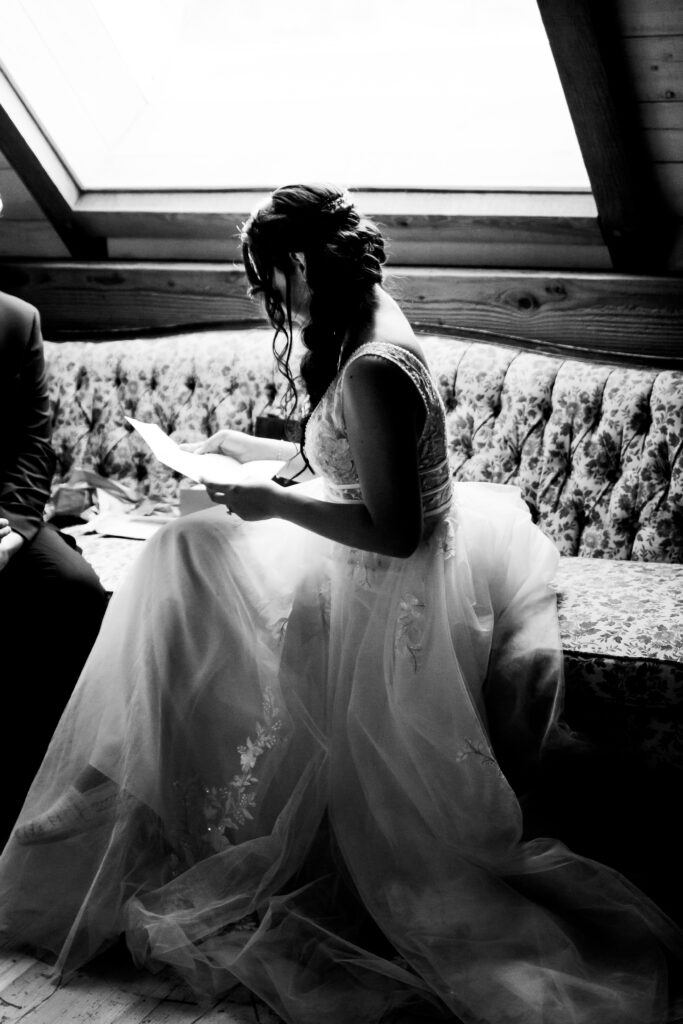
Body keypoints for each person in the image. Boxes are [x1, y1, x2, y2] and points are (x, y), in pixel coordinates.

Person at [0, 184, 681, 1024]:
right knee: (186, 556)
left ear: (296, 264)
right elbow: (351, 456)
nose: (262, 298)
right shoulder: (362, 318)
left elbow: (394, 530)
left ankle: (124, 780)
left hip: (388, 588)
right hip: (365, 556)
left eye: (263, 280)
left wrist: (271, 502)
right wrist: (251, 454)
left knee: (186, 558)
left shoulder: (373, 365)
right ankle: (128, 777)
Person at [0, 285, 108, 840]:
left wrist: (13, 532)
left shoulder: (17, 318)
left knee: (75, 590)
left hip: (2, 515)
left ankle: (40, 785)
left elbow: (32, 443)